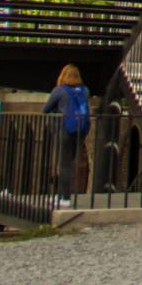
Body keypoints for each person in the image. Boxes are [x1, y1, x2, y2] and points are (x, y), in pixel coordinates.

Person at [42, 63, 91, 206]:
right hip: (80, 131)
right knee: (69, 163)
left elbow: (45, 109)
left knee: (63, 165)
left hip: (64, 130)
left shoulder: (59, 90)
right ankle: (61, 196)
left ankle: (65, 198)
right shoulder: (85, 90)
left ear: (63, 75)